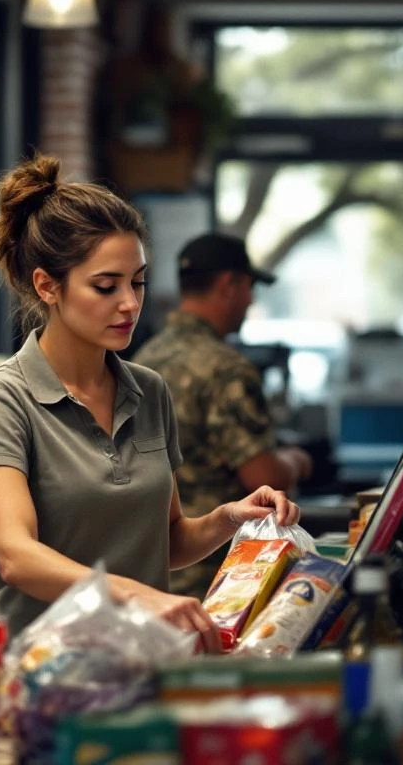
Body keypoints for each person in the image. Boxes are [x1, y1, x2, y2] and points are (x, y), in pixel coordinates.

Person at [0, 156, 300, 651]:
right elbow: (16, 557)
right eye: (106, 286)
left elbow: (169, 541)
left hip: (138, 661)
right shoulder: (1, 399)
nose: (130, 303)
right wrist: (139, 596)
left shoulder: (149, 391)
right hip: (38, 670)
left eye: (137, 282)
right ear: (47, 286)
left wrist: (229, 518)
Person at [132, 232, 312, 597]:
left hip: (153, 571)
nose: (251, 300)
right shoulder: (226, 368)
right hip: (219, 573)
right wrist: (298, 461)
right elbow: (263, 475)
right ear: (229, 285)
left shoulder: (141, 362)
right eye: (249, 288)